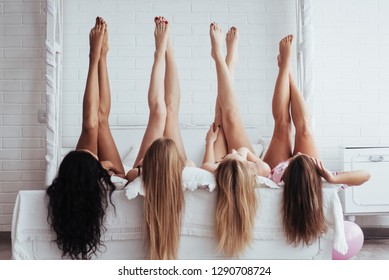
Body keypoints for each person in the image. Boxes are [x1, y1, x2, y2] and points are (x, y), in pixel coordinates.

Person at [263, 34, 371, 246]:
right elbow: (366, 175)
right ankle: (290, 75)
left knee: (282, 126)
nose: (299, 153)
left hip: (275, 169)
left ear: (289, 168)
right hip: (306, 173)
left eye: (298, 157)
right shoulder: (321, 183)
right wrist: (332, 178)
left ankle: (284, 67)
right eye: (302, 156)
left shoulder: (279, 176)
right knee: (303, 128)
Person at [46, 17, 125, 260]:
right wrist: (105, 169)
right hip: (110, 174)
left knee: (94, 123)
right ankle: (101, 58)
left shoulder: (69, 196)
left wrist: (99, 167)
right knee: (100, 121)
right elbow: (125, 176)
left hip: (84, 173)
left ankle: (96, 57)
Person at [201, 23, 271, 257]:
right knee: (230, 116)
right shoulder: (255, 170)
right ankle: (222, 58)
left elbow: (206, 165)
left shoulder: (219, 170)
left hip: (227, 164)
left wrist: (211, 143)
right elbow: (260, 164)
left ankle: (228, 60)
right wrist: (243, 154)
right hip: (240, 164)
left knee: (218, 119)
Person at [125, 17, 190, 260]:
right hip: (174, 163)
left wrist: (140, 168)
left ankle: (160, 52)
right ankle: (168, 51)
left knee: (159, 111)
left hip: (156, 164)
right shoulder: (182, 171)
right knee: (169, 111)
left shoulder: (141, 172)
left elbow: (129, 175)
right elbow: (198, 168)